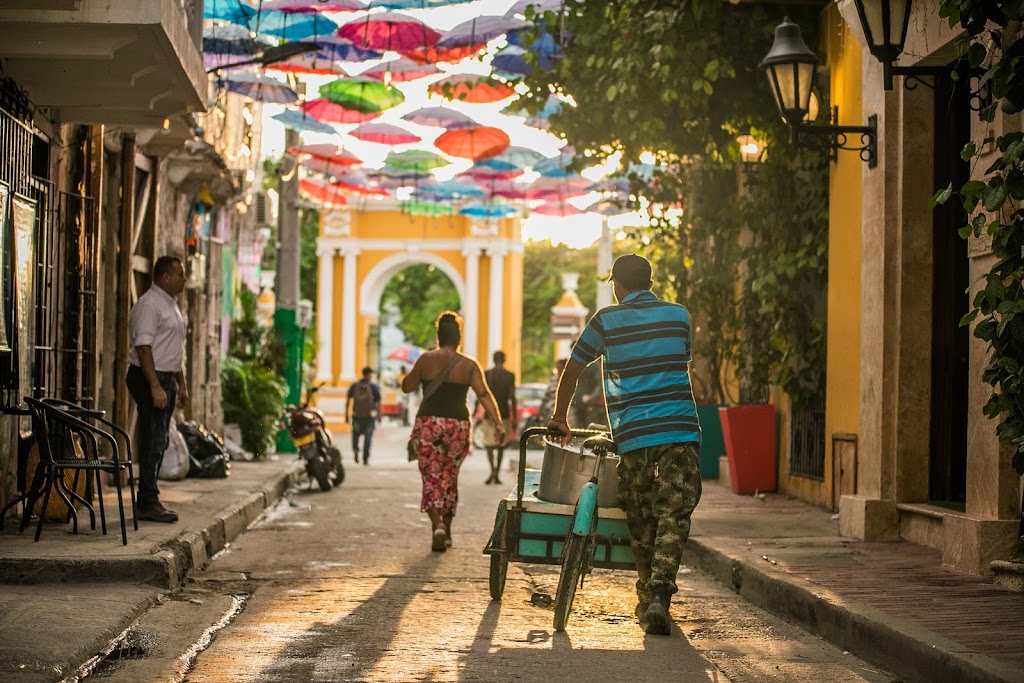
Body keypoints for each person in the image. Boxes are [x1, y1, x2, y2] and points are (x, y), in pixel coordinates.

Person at [547, 254, 701, 636]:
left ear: (617, 284)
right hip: (679, 430)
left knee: (642, 512)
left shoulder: (606, 320)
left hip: (633, 434)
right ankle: (658, 597)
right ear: (649, 281)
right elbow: (680, 359)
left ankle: (647, 592)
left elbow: (574, 366)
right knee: (674, 513)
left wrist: (559, 417)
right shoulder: (679, 315)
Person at [402, 311, 505, 552]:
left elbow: (407, 387)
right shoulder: (468, 364)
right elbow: (483, 395)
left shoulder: (426, 359)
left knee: (431, 477)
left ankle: (437, 525)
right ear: (459, 338)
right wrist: (498, 423)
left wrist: (417, 369)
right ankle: (446, 531)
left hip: (428, 424)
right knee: (449, 477)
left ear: (438, 335)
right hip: (457, 426)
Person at [126, 255, 189, 523]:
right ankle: (147, 502)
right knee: (152, 439)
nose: (184, 279)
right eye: (180, 274)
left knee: (160, 439)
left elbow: (173, 350)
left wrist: (181, 384)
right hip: (149, 376)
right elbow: (144, 348)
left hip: (166, 377)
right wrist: (154, 386)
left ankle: (150, 497)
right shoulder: (149, 305)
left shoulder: (170, 305)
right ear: (165, 277)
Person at [479, 350, 516, 485]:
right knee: (501, 445)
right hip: (504, 414)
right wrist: (515, 418)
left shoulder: (487, 374)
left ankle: (492, 471)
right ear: (504, 360)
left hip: (488, 414)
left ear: (493, 360)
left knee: (489, 445)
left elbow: (481, 394)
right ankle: (496, 474)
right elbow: (512, 397)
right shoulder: (510, 375)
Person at [346, 367, 381, 465]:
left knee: (355, 435)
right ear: (369, 374)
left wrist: (346, 415)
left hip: (357, 415)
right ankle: (365, 459)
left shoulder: (355, 385)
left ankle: (356, 449)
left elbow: (348, 400)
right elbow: (378, 402)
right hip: (369, 417)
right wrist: (379, 415)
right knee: (368, 437)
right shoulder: (373, 386)